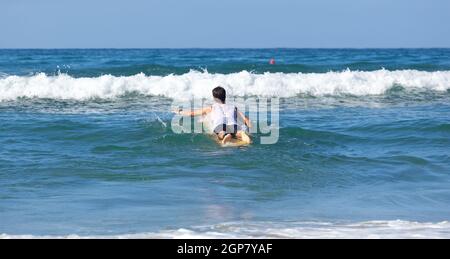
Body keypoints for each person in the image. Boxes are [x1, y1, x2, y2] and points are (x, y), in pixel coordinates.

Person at [176, 86, 252, 145]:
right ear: (225, 96)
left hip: (220, 125)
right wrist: (250, 129)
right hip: (233, 124)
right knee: (237, 132)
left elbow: (191, 114)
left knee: (219, 134)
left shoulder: (211, 108)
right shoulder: (234, 107)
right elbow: (245, 119)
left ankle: (224, 135)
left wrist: (179, 112)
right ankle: (240, 134)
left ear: (214, 98)